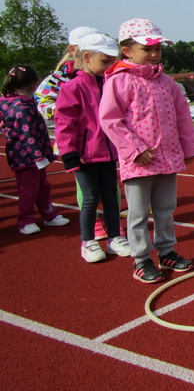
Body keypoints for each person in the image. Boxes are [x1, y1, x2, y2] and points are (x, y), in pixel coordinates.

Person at [99, 19, 194, 284]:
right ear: (127, 51)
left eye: (158, 49)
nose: (154, 54)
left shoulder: (165, 82)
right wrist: (134, 150)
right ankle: (141, 258)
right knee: (139, 212)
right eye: (147, 49)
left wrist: (188, 146)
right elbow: (110, 120)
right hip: (139, 161)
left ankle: (166, 251)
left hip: (168, 157)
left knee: (166, 208)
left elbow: (182, 116)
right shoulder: (119, 81)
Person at [54, 34, 130, 263]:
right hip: (85, 155)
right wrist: (69, 153)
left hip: (108, 152)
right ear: (87, 57)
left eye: (112, 62)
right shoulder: (72, 87)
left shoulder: (109, 84)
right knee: (89, 198)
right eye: (105, 61)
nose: (109, 66)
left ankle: (115, 237)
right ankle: (88, 241)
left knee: (111, 196)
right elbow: (64, 122)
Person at [35, 25, 114, 242]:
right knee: (87, 190)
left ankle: (114, 227)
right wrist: (68, 110)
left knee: (110, 189)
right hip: (76, 141)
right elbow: (41, 102)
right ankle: (93, 223)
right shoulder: (58, 79)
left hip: (103, 141)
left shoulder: (104, 75)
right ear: (75, 50)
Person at [0, 65, 70, 235]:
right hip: (26, 157)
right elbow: (27, 134)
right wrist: (38, 156)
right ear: (34, 84)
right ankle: (26, 220)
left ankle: (49, 214)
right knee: (28, 190)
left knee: (42, 186)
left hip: (30, 155)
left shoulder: (19, 103)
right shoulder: (22, 106)